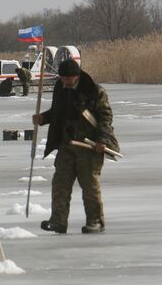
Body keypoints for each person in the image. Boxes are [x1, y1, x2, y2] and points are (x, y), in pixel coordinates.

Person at [32, 58, 120, 234]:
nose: (64, 82)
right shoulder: (60, 87)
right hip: (66, 144)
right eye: (62, 78)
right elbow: (58, 112)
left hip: (89, 146)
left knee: (89, 185)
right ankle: (58, 221)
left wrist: (102, 140)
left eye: (67, 79)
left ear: (76, 76)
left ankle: (94, 222)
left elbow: (105, 117)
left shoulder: (94, 91)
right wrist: (43, 118)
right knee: (60, 183)